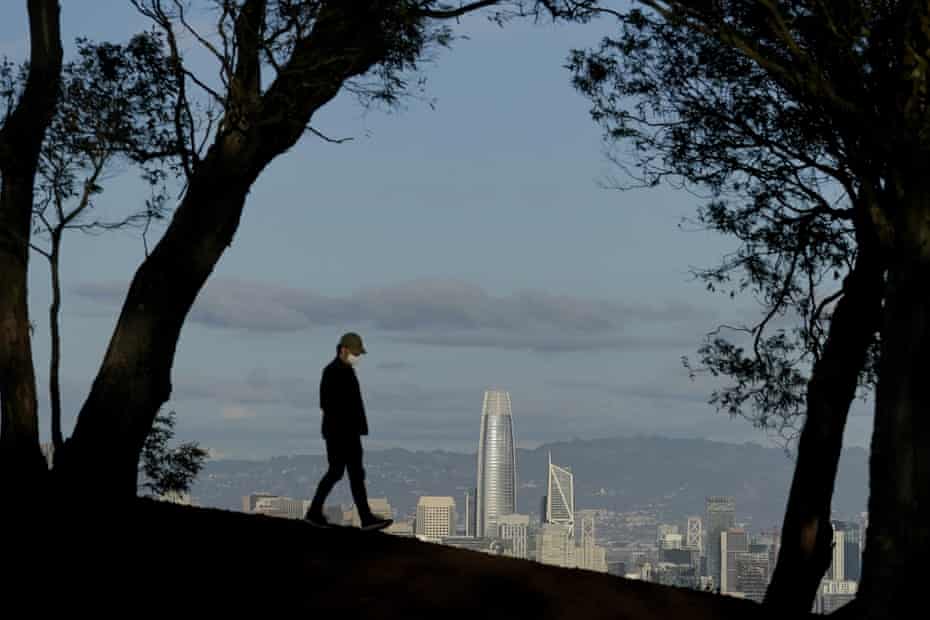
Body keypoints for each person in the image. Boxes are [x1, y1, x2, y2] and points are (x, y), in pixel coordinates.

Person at [304, 332, 393, 531]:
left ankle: (321, 513)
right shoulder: (334, 371)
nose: (357, 357)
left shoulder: (345, 370)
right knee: (343, 472)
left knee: (350, 473)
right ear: (344, 350)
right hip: (341, 433)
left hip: (346, 432)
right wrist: (347, 426)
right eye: (355, 353)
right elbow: (327, 403)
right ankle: (361, 517)